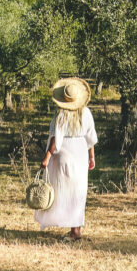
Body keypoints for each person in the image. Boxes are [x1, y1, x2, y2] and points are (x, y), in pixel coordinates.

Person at [35, 76, 98, 240]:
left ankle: (71, 228)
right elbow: (90, 137)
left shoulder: (61, 115)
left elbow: (56, 139)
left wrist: (47, 157)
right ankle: (75, 229)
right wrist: (92, 157)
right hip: (81, 152)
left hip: (65, 152)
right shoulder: (87, 112)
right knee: (78, 191)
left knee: (63, 190)